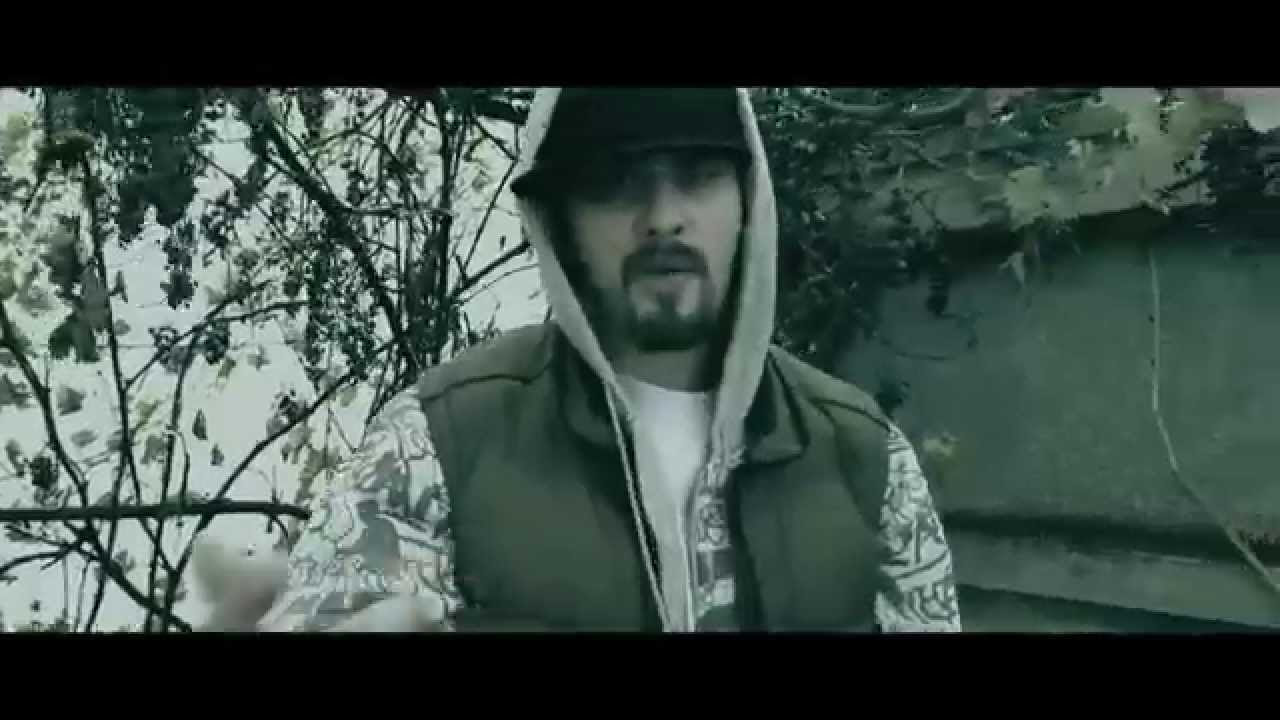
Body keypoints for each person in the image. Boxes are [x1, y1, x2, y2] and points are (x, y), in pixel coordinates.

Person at [195, 87, 962, 633]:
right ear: (559, 220)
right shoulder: (436, 447)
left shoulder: (865, 458)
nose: (663, 217)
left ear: (747, 199)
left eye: (697, 175)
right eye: (617, 183)